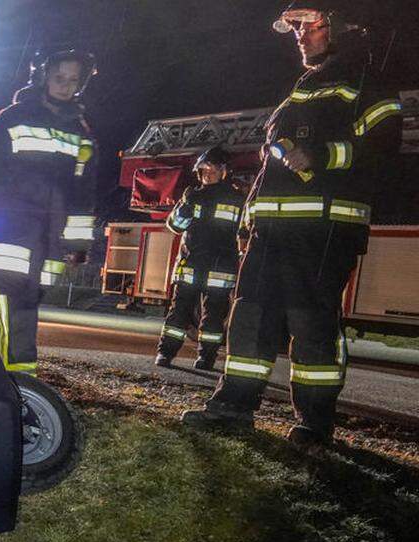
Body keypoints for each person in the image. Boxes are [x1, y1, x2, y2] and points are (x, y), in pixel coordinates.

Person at [182, 1, 402, 447]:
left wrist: (319, 157)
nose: (300, 37)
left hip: (322, 230)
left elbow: (382, 153)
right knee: (250, 317)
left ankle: (315, 423)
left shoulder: (368, 86)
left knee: (312, 324)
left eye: (311, 27)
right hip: (271, 233)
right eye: (296, 30)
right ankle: (233, 406)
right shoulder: (303, 89)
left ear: (340, 27)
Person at [0, 50, 98, 374]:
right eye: (59, 78)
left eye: (73, 81)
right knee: (14, 314)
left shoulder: (81, 132)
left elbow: (83, 194)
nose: (66, 86)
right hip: (8, 237)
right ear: (42, 76)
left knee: (16, 314)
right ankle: (16, 386)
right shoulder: (14, 118)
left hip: (50, 245)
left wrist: (78, 244)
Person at [155, 146, 244, 371]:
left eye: (212, 170)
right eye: (203, 170)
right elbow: (174, 226)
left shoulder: (237, 199)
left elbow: (246, 231)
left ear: (225, 171)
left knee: (214, 317)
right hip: (191, 265)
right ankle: (165, 353)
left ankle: (206, 358)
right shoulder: (192, 196)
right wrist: (184, 208)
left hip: (219, 268)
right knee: (178, 313)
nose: (207, 174)